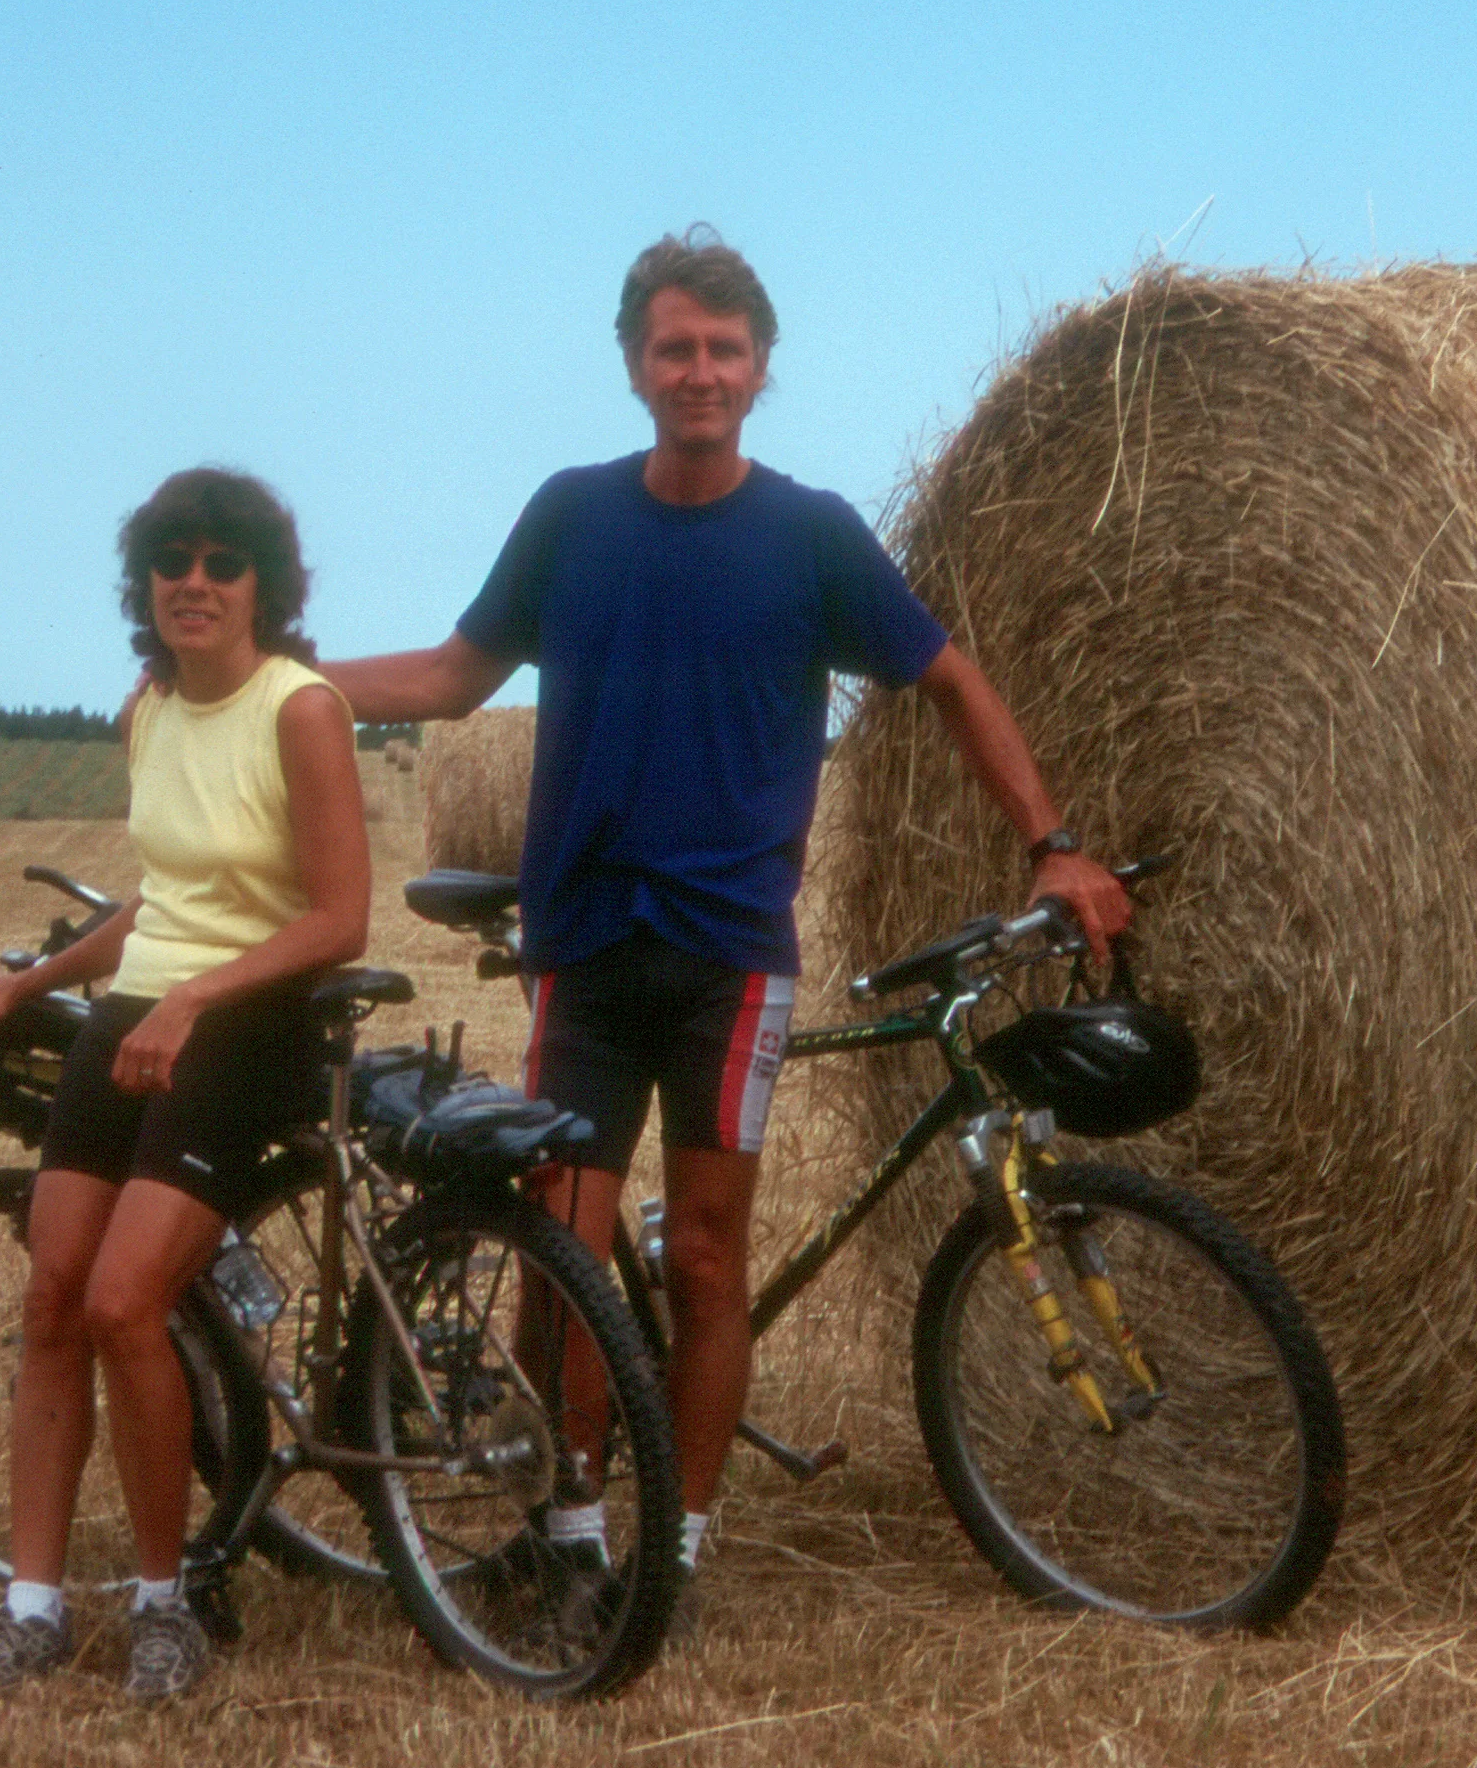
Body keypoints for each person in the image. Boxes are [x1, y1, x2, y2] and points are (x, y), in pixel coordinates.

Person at [321, 227, 1128, 1627]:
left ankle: (679, 1548)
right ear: (636, 367)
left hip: (730, 956)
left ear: (760, 370)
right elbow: (453, 677)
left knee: (702, 1257)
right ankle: (574, 1532)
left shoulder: (810, 535)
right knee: (562, 1252)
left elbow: (949, 679)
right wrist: (279, 677)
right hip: (584, 944)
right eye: (674, 348)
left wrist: (1051, 844)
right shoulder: (572, 516)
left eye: (723, 349)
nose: (699, 370)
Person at [0, 469, 370, 1701]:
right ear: (147, 583)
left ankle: (168, 1603)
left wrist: (196, 998)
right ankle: (31, 1606)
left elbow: (340, 917)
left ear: (264, 586)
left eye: (224, 562)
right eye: (174, 560)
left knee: (126, 1301)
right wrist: (27, 981)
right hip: (138, 1014)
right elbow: (160, 900)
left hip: (252, 1022)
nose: (195, 581)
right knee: (54, 1294)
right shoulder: (152, 710)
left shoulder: (302, 710)